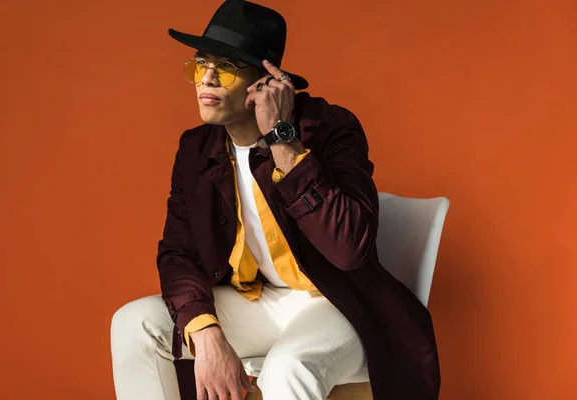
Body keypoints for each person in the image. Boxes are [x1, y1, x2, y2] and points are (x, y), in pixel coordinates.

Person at [110, 1, 441, 399]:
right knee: (134, 324)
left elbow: (349, 249)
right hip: (258, 301)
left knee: (289, 365)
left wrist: (283, 138)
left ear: (265, 82)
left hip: (340, 303)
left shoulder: (330, 129)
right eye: (200, 65)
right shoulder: (196, 148)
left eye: (226, 67)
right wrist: (206, 333)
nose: (207, 80)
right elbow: (178, 253)